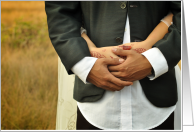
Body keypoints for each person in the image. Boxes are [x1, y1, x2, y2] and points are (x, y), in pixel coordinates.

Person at [45, 1, 181, 130]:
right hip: (94, 104)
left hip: (158, 97)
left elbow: (186, 9)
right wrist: (84, 64)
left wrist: (153, 61)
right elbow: (60, 13)